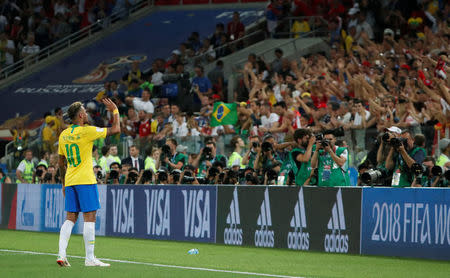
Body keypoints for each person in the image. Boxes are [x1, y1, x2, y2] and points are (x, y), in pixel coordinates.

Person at [56, 98, 120, 267]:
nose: (86, 113)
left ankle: (61, 254)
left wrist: (63, 183)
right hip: (85, 179)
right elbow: (116, 129)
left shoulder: (64, 134)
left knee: (70, 218)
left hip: (70, 180)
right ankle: (90, 259)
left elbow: (61, 163)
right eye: (84, 111)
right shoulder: (87, 131)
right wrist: (115, 111)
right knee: (90, 218)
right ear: (81, 115)